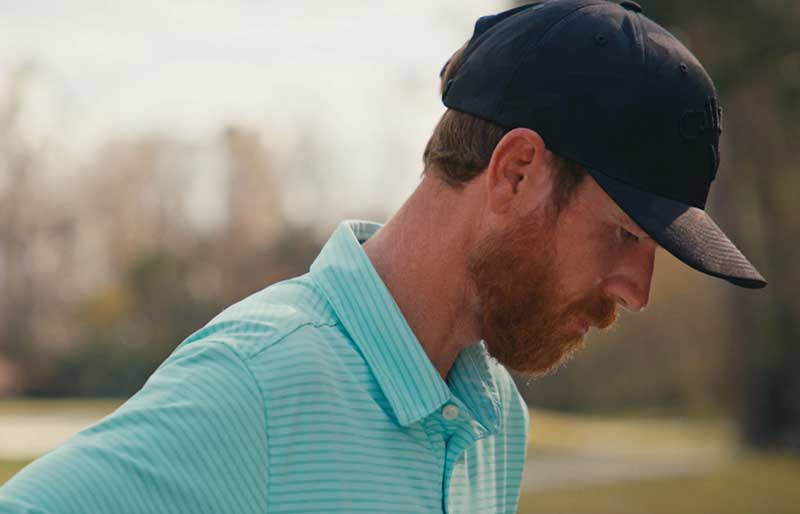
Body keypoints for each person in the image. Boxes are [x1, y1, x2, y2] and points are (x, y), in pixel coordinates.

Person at [0, 1, 766, 513]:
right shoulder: (259, 388)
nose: (638, 291)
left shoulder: (495, 419)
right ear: (516, 171)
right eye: (625, 236)